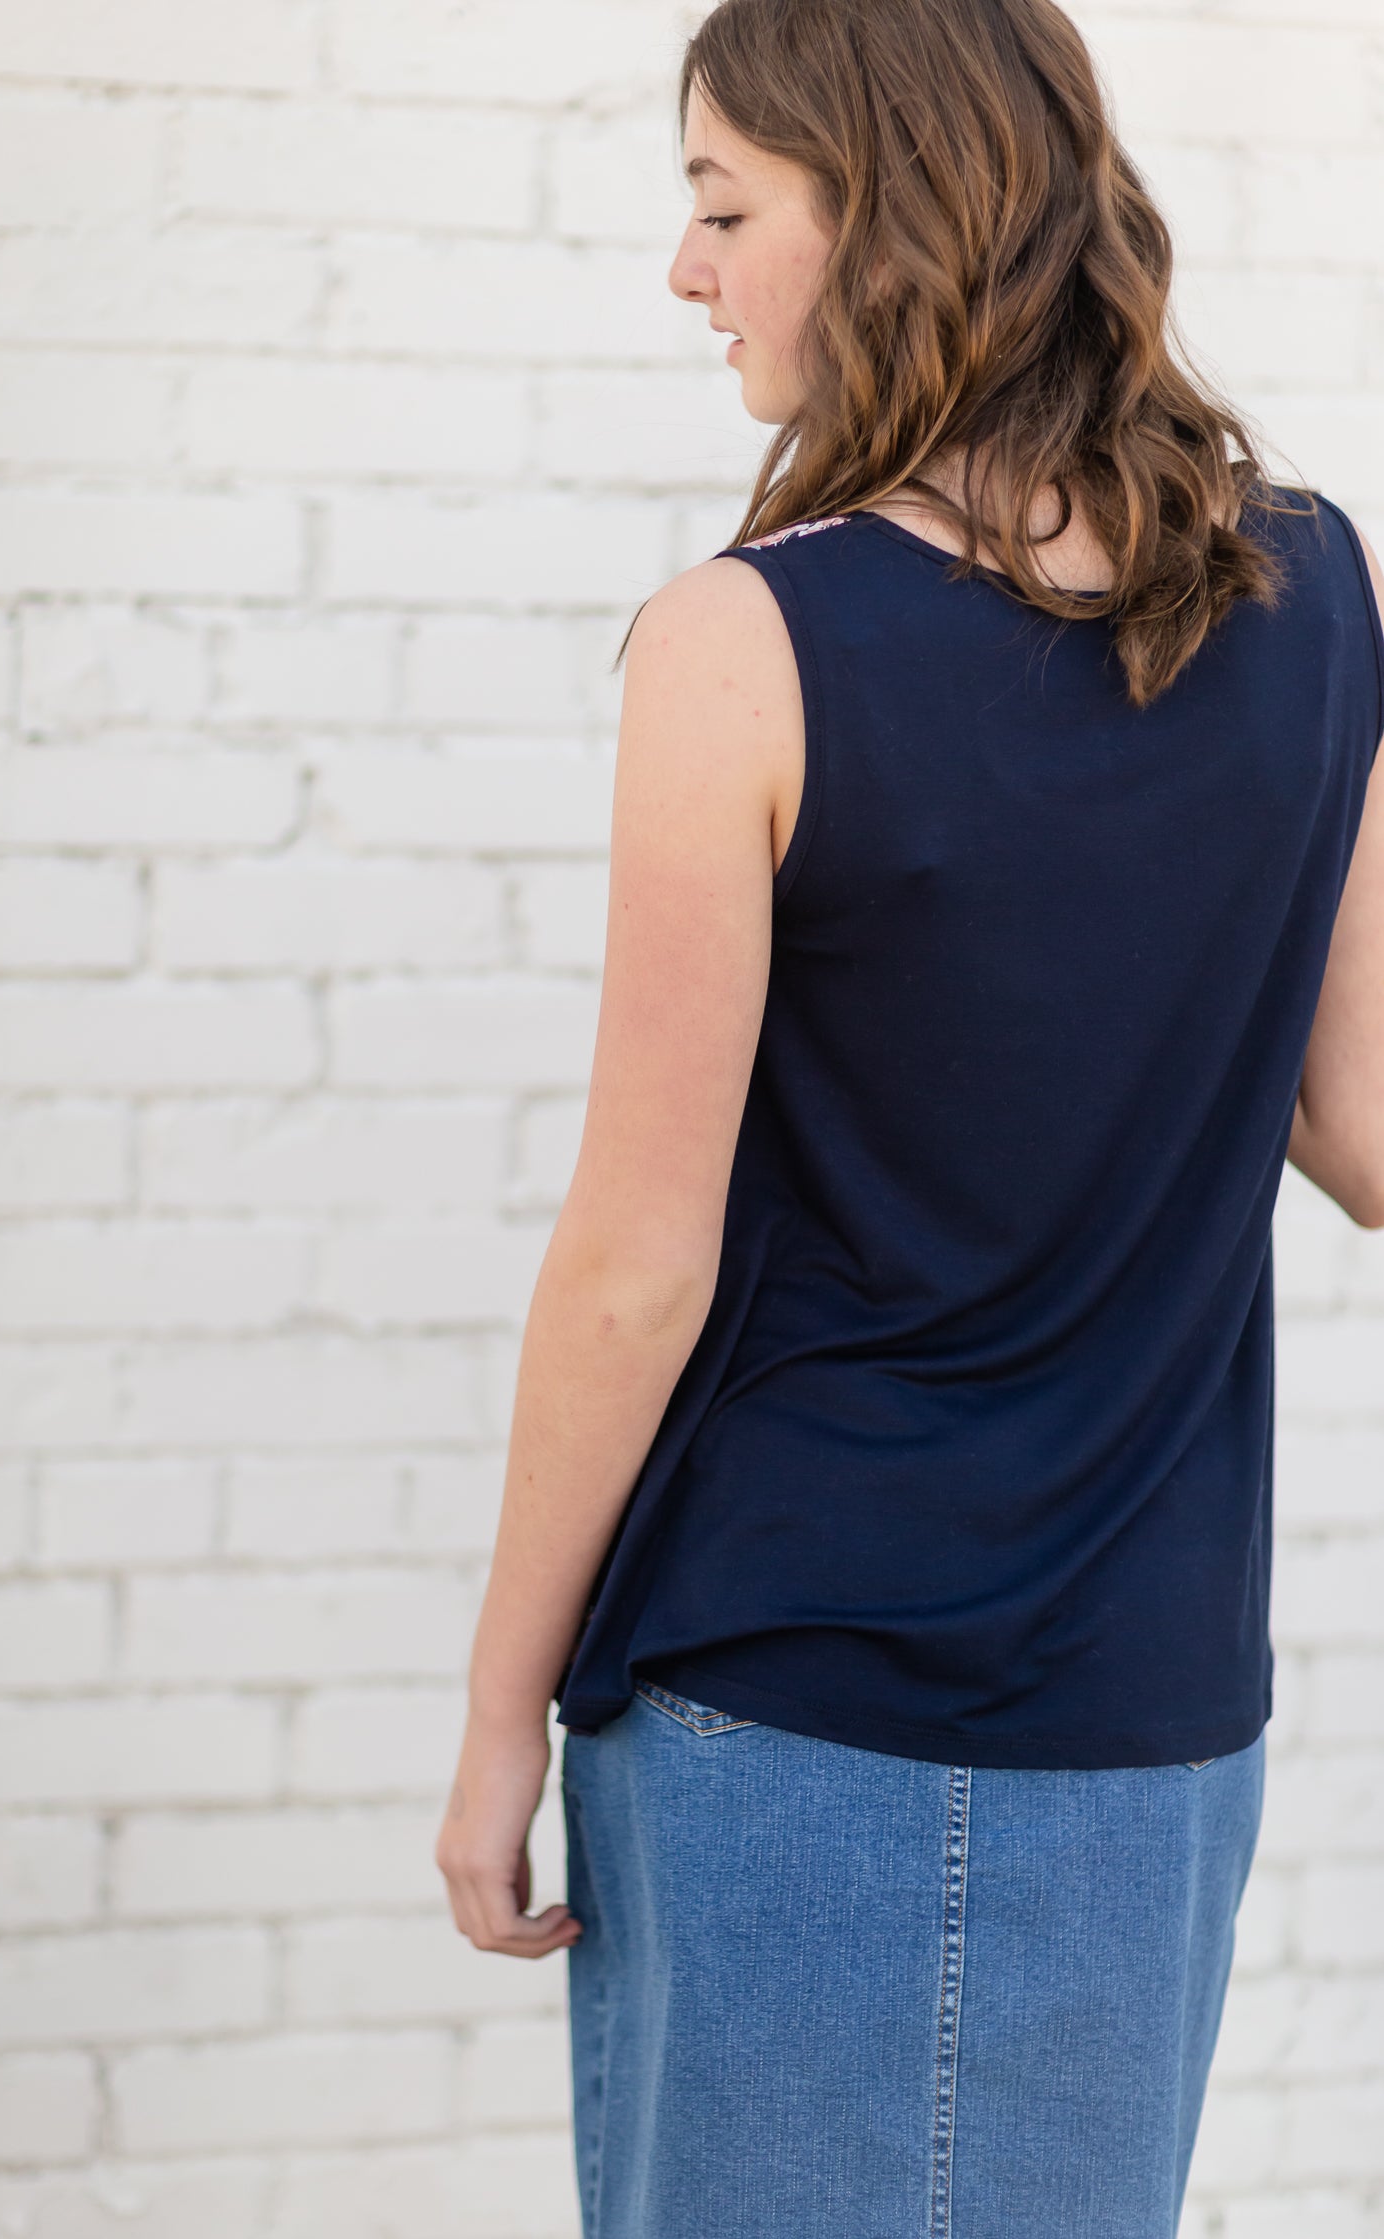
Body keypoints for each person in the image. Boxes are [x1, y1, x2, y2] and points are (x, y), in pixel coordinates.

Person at [435, 1, 1384, 2231]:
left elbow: (637, 1265)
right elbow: (1367, 1129)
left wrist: (498, 1715)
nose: (689, 269)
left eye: (721, 203)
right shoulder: (1317, 590)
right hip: (1154, 1712)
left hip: (805, 1705)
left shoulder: (742, 645)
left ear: (889, 218)